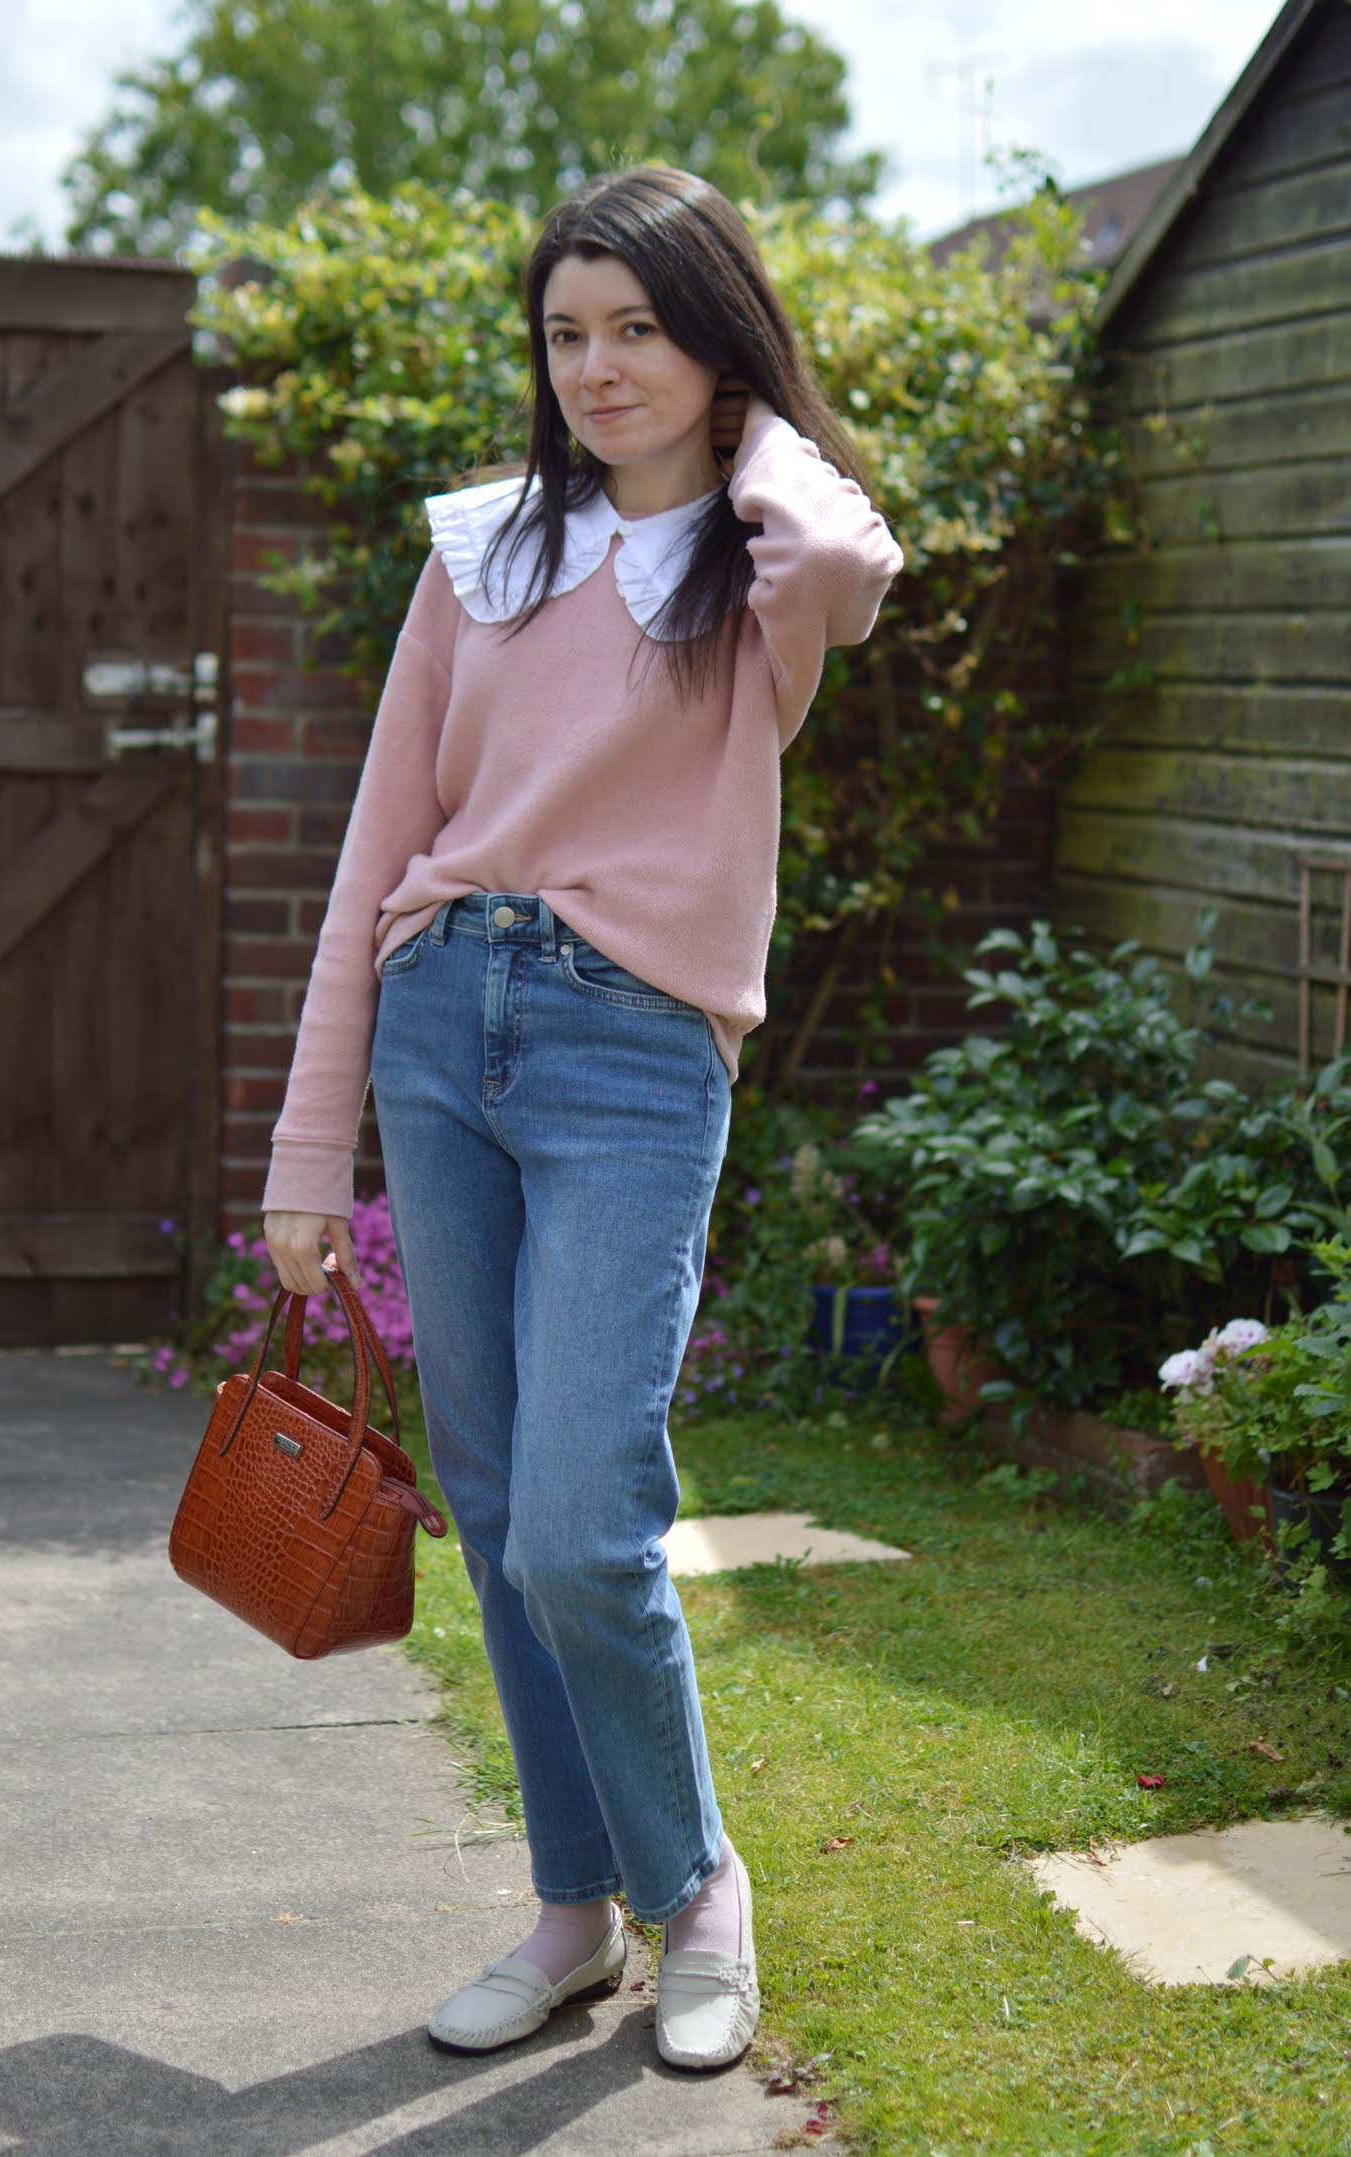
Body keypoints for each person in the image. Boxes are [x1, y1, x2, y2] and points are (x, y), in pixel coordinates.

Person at [261, 164, 903, 2070]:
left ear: (719, 346)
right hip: (442, 1022)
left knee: (580, 1522)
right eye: (566, 334)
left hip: (636, 1047)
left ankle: (698, 1886)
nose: (596, 367)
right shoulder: (476, 557)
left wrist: (753, 422)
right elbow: (378, 851)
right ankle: (570, 1907)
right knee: (489, 1503)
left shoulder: (767, 564)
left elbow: (857, 568)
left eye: (641, 327)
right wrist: (309, 1153)